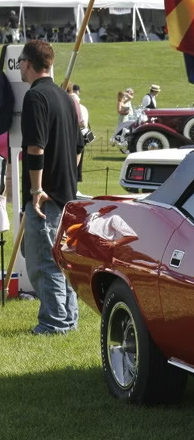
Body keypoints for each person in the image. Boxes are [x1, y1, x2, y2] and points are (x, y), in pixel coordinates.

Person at [18, 39, 83, 335]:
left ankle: (54, 322)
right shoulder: (65, 96)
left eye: (21, 62)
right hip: (66, 193)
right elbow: (79, 146)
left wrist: (36, 190)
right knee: (62, 260)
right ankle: (68, 317)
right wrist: (68, 178)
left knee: (45, 261)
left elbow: (35, 147)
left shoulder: (35, 96)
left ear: (28, 63)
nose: (19, 66)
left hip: (46, 196)